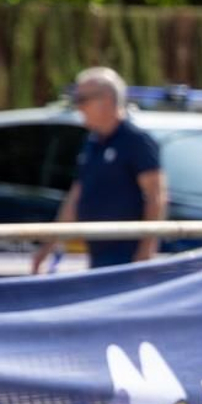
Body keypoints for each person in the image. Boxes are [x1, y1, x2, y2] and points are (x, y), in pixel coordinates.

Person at [31, 67, 167, 272]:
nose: (78, 108)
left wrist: (145, 253)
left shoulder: (135, 141)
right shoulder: (92, 143)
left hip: (128, 255)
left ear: (106, 99)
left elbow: (156, 196)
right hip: (97, 253)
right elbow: (76, 196)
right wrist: (48, 247)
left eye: (82, 99)